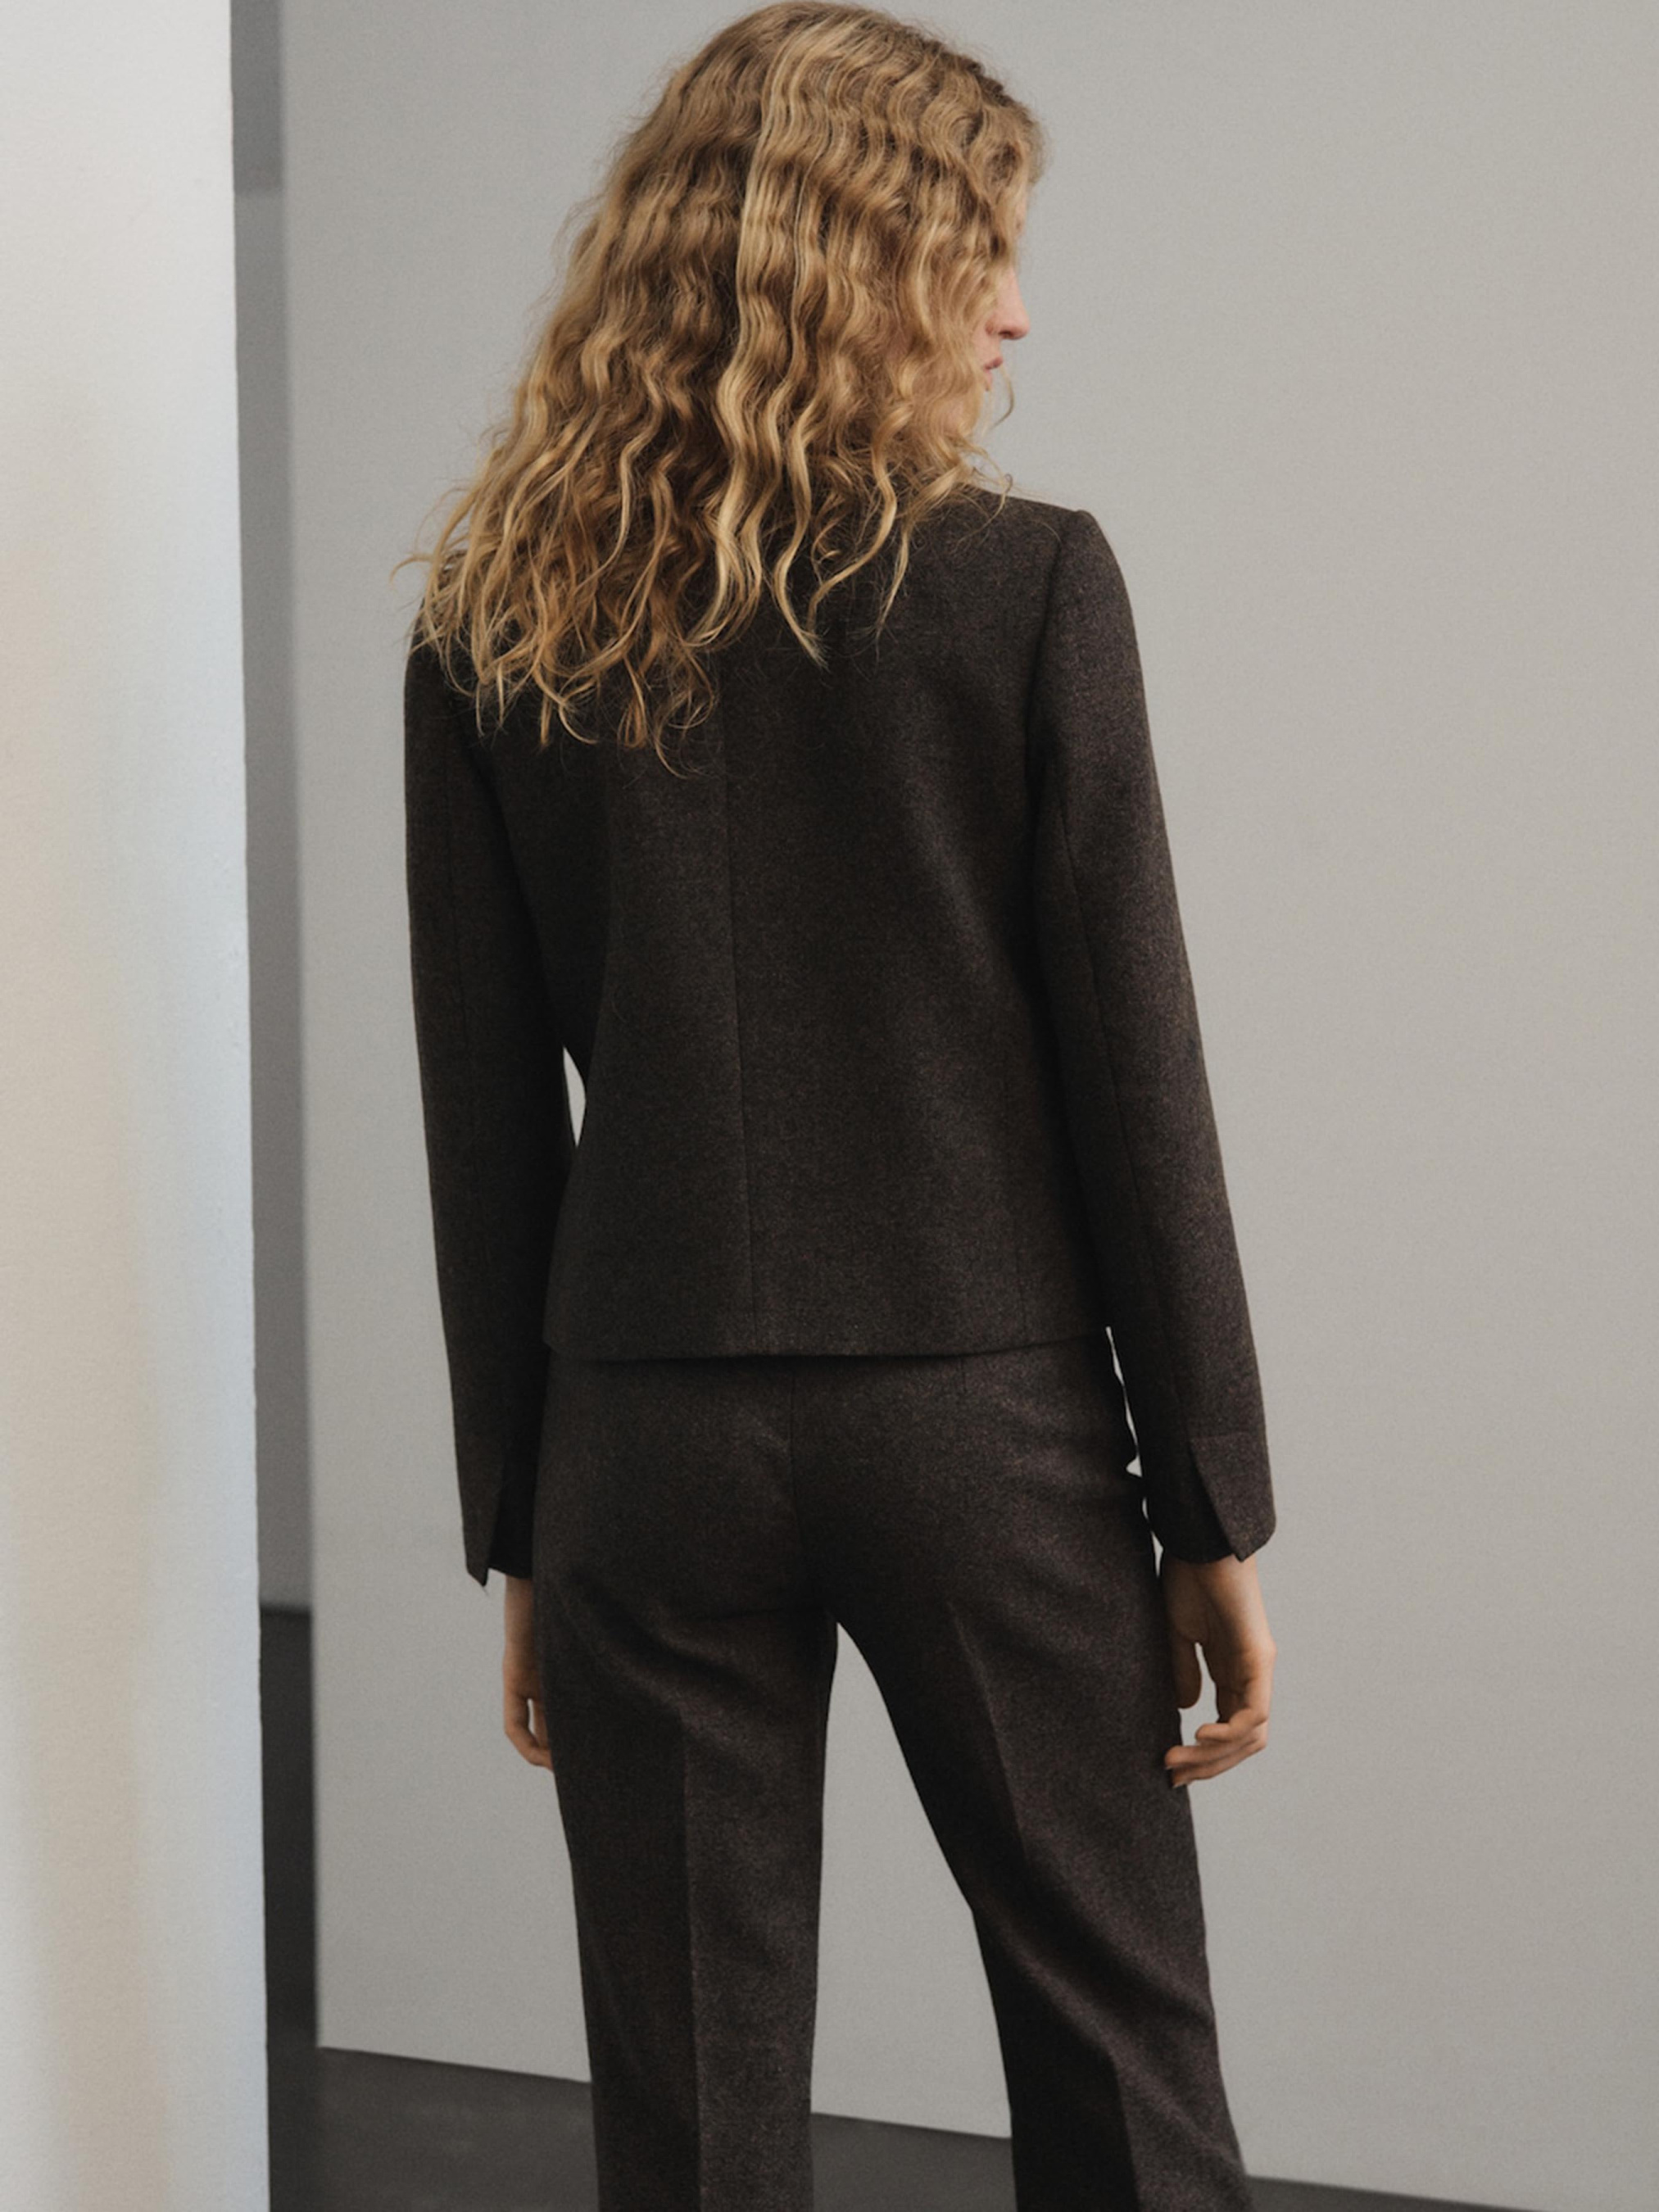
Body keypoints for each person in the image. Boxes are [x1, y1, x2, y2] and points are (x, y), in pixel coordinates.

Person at [398, 5, 1277, 2205]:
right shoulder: (1025, 586)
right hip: (984, 1426)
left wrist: (525, 1511)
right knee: (1119, 2058)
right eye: (979, 249)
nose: (1014, 309)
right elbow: (1135, 1078)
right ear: (854, 260)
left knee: (688, 2116)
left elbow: (484, 1118)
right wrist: (1209, 1500)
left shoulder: (493, 627)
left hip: (641, 1437)